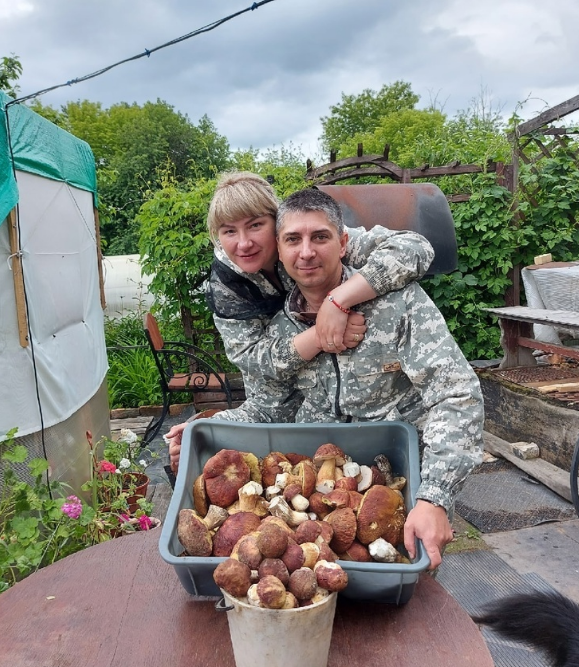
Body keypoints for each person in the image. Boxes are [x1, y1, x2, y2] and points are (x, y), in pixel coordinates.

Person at [169, 188, 484, 570]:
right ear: (280, 252)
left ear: (344, 243)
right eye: (292, 241)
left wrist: (434, 498)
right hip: (318, 499)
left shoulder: (400, 304)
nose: (306, 252)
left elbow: (457, 396)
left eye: (320, 237)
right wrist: (206, 426)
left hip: (402, 483)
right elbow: (266, 412)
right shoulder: (279, 335)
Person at [166, 170, 435, 442]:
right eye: (229, 231)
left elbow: (414, 249)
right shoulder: (229, 286)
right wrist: (321, 333)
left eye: (256, 225)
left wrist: (338, 300)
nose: (244, 243)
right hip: (292, 394)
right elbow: (252, 360)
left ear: (277, 222)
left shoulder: (314, 240)